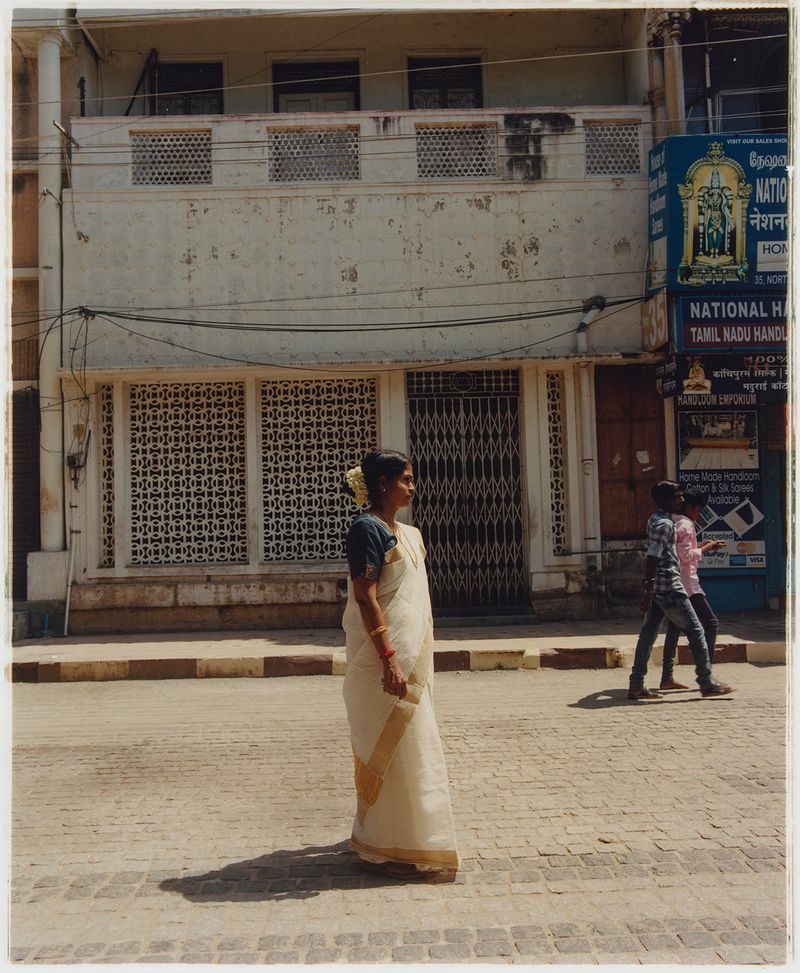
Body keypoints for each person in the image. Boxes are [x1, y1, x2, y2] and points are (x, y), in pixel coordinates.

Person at [341, 447, 459, 880]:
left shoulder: (408, 533)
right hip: (384, 662)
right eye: (406, 479)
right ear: (382, 484)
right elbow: (365, 598)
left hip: (412, 661)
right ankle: (385, 844)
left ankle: (413, 836)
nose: (412, 487)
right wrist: (389, 659)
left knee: (414, 747)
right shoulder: (366, 530)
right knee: (388, 748)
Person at [628, 480, 733, 700]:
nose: (681, 499)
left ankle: (637, 684)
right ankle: (706, 682)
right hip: (669, 587)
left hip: (659, 588)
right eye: (677, 496)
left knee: (648, 635)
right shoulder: (665, 524)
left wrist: (650, 590)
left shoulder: (656, 519)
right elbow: (653, 557)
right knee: (696, 631)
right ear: (665, 500)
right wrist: (647, 591)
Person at [660, 489, 725, 690]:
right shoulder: (686, 525)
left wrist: (702, 546)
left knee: (674, 629)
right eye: (697, 509)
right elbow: (686, 556)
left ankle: (667, 677)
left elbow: (682, 550)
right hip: (688, 584)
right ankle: (707, 673)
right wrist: (707, 548)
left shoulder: (674, 521)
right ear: (689, 507)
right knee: (710, 623)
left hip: (675, 581)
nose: (698, 514)